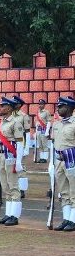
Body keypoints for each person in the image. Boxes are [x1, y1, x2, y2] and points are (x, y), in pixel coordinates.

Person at [0, 97, 25, 226]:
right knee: (5, 186)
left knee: (13, 186)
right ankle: (8, 213)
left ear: (9, 108)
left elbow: (20, 143)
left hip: (10, 155)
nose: (0, 108)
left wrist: (18, 162)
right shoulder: (1, 122)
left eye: (2, 106)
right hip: (1, 155)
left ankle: (15, 216)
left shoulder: (15, 122)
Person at [51, 96, 75, 231]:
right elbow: (54, 144)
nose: (58, 109)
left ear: (70, 108)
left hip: (72, 159)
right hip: (59, 160)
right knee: (64, 191)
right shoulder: (57, 124)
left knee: (74, 190)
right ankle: (66, 218)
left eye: (61, 106)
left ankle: (73, 219)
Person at [35, 99, 51, 163]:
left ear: (44, 105)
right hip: (38, 130)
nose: (40, 105)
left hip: (44, 130)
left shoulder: (46, 112)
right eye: (39, 104)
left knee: (44, 145)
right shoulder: (38, 112)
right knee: (40, 145)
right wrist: (35, 131)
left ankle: (45, 158)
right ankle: (41, 158)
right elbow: (37, 122)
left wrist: (47, 131)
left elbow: (49, 122)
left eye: (41, 104)